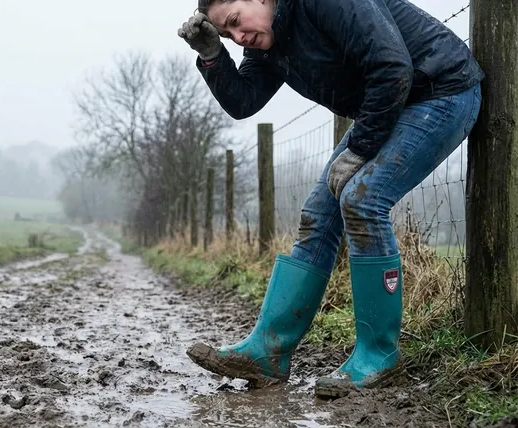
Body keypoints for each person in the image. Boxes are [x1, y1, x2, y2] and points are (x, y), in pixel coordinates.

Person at [178, 0, 483, 398]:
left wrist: (359, 148)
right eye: (227, 35)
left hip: (441, 91)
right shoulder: (266, 44)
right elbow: (243, 101)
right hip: (388, 106)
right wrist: (212, 56)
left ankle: (379, 355)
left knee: (362, 198)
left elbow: (391, 67)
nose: (239, 37)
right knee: (317, 216)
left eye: (236, 22)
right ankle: (267, 352)